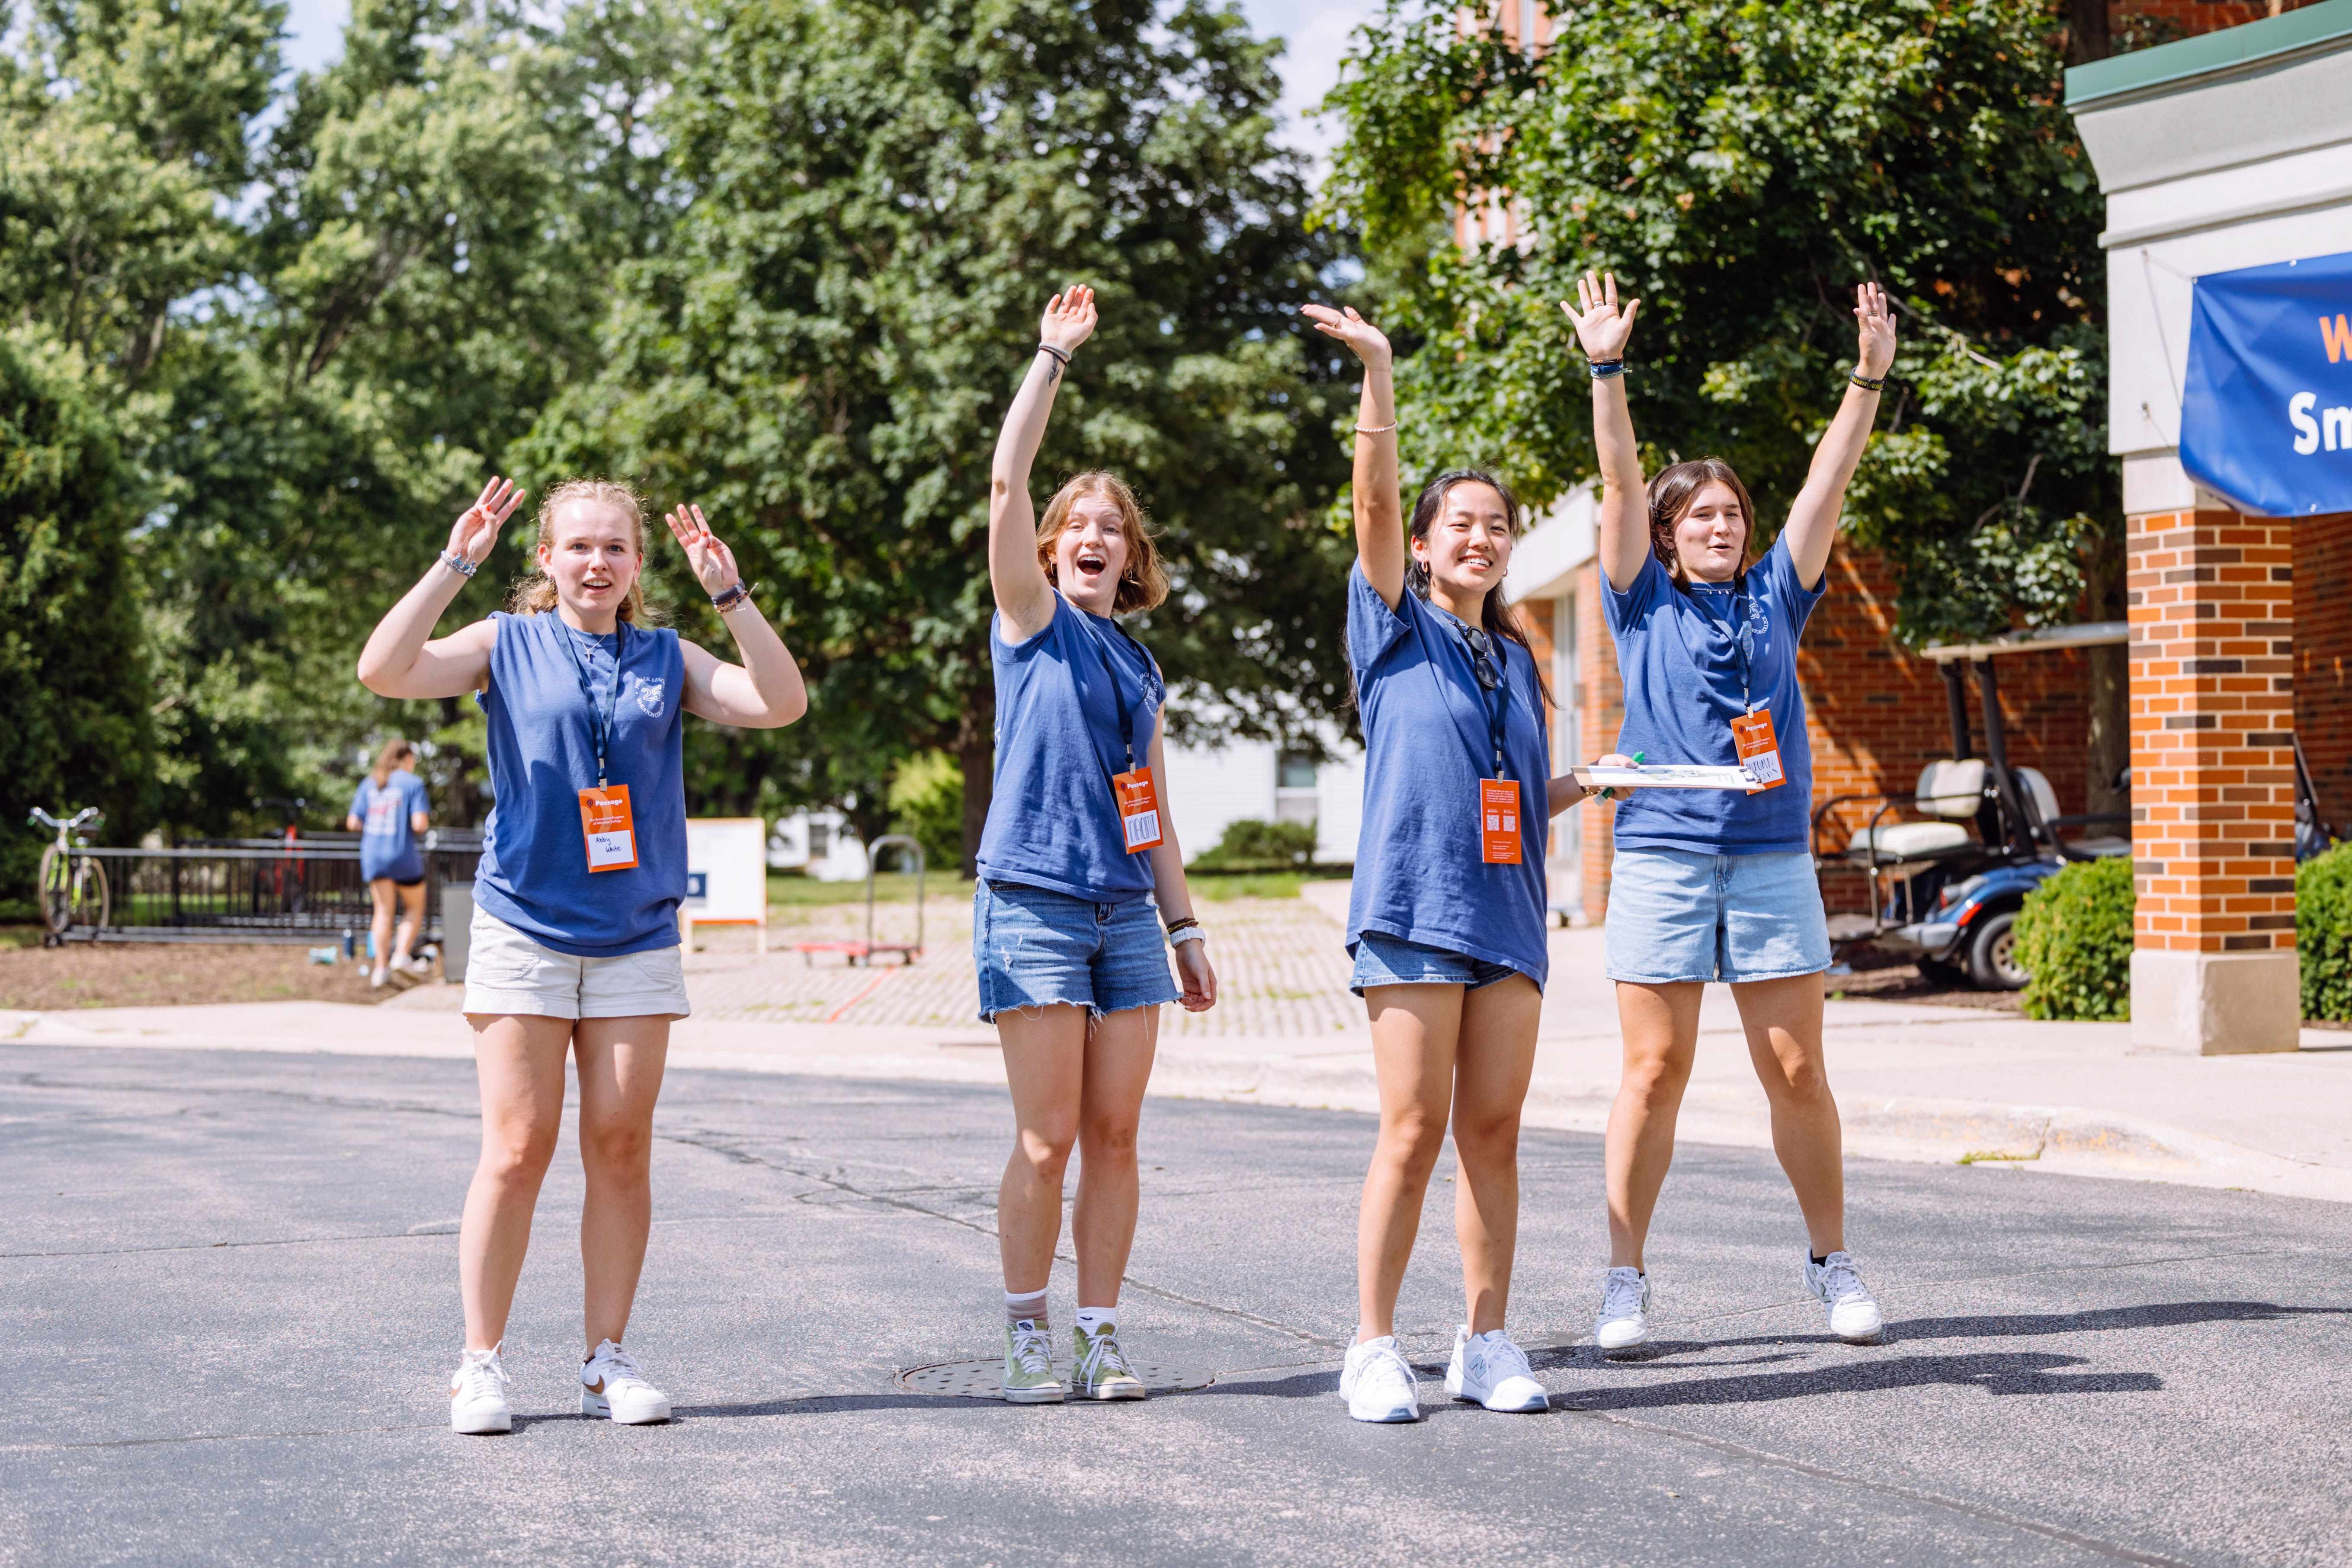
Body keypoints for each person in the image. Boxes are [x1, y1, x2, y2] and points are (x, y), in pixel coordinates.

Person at [356, 476, 807, 1435]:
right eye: (578, 547)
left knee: (620, 1148)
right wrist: (453, 560)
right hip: (523, 925)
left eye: (614, 548)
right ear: (546, 560)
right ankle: (480, 1364)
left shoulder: (664, 656)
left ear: (638, 564)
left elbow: (778, 702)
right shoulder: (502, 643)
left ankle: (606, 1361)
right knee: (517, 1152)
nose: (595, 563)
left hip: (636, 933)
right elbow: (384, 671)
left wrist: (731, 594)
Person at [1302, 300, 1634, 1425]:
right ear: (1427, 540)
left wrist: (1585, 782)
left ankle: (1484, 1339)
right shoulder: (1391, 621)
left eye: (1495, 525)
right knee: (1410, 1129)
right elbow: (1373, 500)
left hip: (1505, 918)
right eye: (1460, 524)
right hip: (1411, 908)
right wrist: (1379, 374)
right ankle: (1370, 1344)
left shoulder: (1516, 656)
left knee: (1490, 1133)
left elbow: (1507, 800)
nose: (1479, 539)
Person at [1561, 270, 1897, 1352]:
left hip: (1766, 859)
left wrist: (1865, 378)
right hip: (1658, 855)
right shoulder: (1636, 593)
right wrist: (1605, 372)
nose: (1720, 522)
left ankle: (1829, 1259)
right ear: (1663, 534)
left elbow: (1825, 476)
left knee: (1794, 1067)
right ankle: (1623, 1277)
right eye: (1697, 512)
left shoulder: (1774, 592)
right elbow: (1615, 480)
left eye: (1730, 511)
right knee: (1653, 1071)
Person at [977, 285, 1217, 1404]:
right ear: (1049, 547)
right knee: (1049, 1136)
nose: (1090, 535)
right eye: (1076, 522)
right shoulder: (1028, 619)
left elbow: (1151, 807)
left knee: (1116, 1134)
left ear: (1132, 558)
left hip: (1125, 914)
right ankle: (1025, 1328)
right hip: (1030, 899)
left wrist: (1186, 926)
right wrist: (1048, 358)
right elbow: (1005, 477)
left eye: (1109, 526)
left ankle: (1098, 1331)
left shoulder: (1142, 668)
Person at [346, 739, 431, 987]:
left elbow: (353, 822)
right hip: (402, 856)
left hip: (374, 856)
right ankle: (401, 955)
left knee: (383, 912)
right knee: (414, 907)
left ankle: (380, 969)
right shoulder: (413, 784)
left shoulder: (370, 782)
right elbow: (420, 825)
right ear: (406, 759)